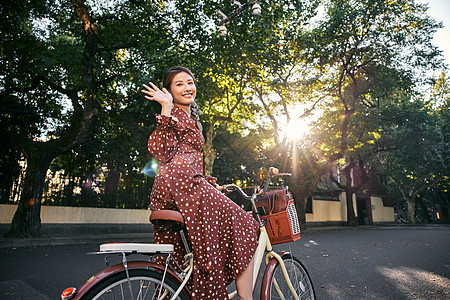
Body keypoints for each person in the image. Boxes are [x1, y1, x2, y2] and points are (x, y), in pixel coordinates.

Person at [142, 66, 258, 300]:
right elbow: (161, 152)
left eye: (190, 82)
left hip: (181, 185)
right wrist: (165, 107)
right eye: (179, 84)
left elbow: (187, 157)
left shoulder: (190, 117)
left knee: (178, 258)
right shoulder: (172, 113)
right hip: (183, 184)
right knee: (247, 226)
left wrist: (207, 182)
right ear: (169, 90)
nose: (187, 87)